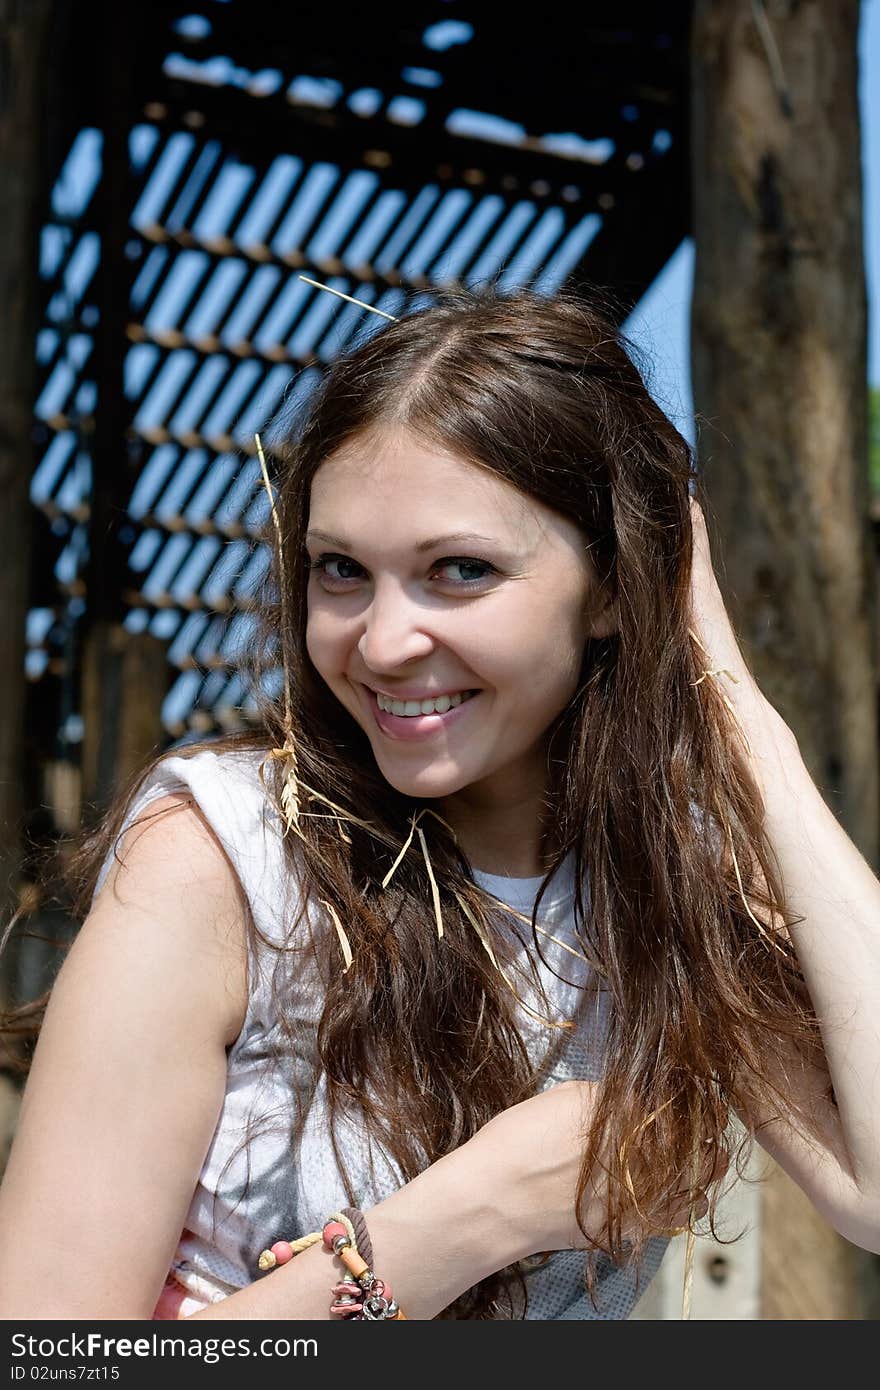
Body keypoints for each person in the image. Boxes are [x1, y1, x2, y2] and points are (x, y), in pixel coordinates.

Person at [0, 287, 878, 1322]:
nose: (380, 643)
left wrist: (736, 717)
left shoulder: (672, 877)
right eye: (341, 571)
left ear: (613, 587)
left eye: (458, 571)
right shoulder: (223, 860)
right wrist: (466, 1218)